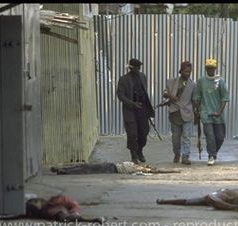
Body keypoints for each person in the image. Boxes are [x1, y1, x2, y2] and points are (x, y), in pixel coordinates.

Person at [156, 188, 238, 220]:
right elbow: (209, 198)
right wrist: (233, 208)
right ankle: (163, 201)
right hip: (220, 199)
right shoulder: (224, 195)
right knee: (191, 201)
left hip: (233, 200)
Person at [117, 58, 155, 164]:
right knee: (132, 134)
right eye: (137, 68)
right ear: (131, 68)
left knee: (144, 132)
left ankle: (140, 150)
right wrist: (132, 103)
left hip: (142, 109)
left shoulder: (142, 76)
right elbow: (120, 95)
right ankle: (133, 154)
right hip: (130, 110)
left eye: (139, 67)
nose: (138, 69)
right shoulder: (123, 79)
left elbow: (145, 92)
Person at [193, 58, 229, 166]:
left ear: (215, 68)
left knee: (220, 137)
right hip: (206, 114)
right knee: (210, 136)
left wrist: (219, 112)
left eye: (212, 68)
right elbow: (197, 97)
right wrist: (197, 110)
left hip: (218, 115)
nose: (210, 70)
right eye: (208, 68)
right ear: (205, 69)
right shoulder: (201, 81)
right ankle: (211, 156)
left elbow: (225, 98)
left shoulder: (220, 81)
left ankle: (213, 153)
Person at [163, 61, 196, 165]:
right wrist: (170, 96)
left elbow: (195, 100)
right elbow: (164, 93)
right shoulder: (171, 82)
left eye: (189, 72)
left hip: (187, 113)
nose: (188, 74)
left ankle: (185, 156)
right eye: (186, 71)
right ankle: (177, 153)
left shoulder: (193, 85)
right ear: (181, 71)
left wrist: (196, 114)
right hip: (175, 112)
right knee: (175, 138)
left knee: (186, 136)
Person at [50, 162, 181, 174]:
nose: (148, 166)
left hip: (111, 169)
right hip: (110, 165)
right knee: (85, 166)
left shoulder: (139, 170)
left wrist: (174, 170)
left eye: (150, 167)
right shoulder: (136, 165)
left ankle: (64, 172)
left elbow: (158, 171)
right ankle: (64, 169)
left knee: (86, 169)